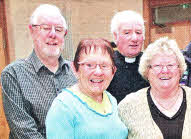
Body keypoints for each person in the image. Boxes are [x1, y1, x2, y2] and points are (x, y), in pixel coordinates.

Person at [0, 4, 77, 138]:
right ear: (32, 31)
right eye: (46, 28)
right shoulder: (13, 75)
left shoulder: (76, 73)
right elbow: (24, 132)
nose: (53, 34)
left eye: (58, 29)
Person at [118, 37, 191, 139]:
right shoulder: (128, 106)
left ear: (180, 70)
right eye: (158, 66)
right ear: (147, 71)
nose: (165, 70)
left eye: (170, 65)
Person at [45, 39, 128, 138]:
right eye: (89, 65)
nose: (98, 72)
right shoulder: (63, 107)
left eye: (104, 65)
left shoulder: (111, 100)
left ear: (113, 71)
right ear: (75, 69)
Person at [107, 10, 149, 103]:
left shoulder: (151, 63)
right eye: (127, 33)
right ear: (115, 36)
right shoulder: (106, 64)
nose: (134, 38)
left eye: (138, 32)